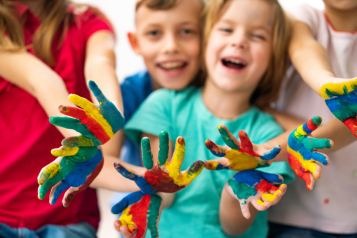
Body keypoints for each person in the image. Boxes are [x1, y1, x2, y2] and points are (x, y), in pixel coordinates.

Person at [120, 0, 296, 237]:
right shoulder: (163, 105)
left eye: (257, 36)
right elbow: (163, 198)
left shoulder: (270, 136)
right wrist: (149, 198)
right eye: (226, 29)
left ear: (274, 57)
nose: (238, 41)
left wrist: (233, 194)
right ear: (204, 41)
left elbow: (235, 228)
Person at [0, 0, 123, 237]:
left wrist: (109, 111)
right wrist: (84, 138)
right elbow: (40, 79)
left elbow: (101, 62)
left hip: (68, 221)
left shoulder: (88, 20)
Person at [268, 0, 357, 237]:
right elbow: (302, 47)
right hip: (286, 207)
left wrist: (274, 150)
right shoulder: (301, 15)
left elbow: (351, 124)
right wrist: (327, 83)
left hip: (348, 214)